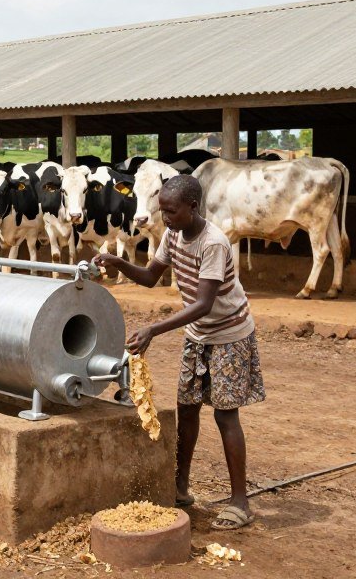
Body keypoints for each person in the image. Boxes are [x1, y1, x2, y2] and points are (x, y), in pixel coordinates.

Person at [95, 174, 264, 532]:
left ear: (193, 207)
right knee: (187, 409)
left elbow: (203, 304)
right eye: (162, 211)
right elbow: (150, 277)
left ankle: (240, 502)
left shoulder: (212, 243)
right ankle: (180, 487)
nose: (165, 218)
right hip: (198, 333)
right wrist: (118, 263)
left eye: (171, 211)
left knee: (225, 415)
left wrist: (153, 330)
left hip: (229, 334)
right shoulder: (172, 235)